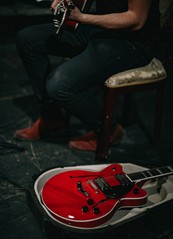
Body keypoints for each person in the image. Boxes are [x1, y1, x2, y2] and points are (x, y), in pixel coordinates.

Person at [14, 0, 160, 151]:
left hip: (132, 41)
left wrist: (82, 17)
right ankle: (52, 118)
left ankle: (109, 130)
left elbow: (135, 19)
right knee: (27, 39)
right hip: (99, 29)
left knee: (59, 85)